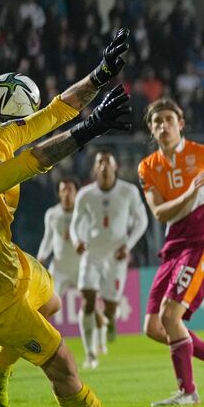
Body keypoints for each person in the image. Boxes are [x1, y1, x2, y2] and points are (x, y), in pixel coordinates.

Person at [0, 29, 158, 407]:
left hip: (11, 263)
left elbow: (53, 111)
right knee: (61, 363)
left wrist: (101, 74)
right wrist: (90, 129)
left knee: (53, 304)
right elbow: (31, 163)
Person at [138, 97, 204, 407]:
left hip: (202, 243)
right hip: (174, 247)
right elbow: (159, 213)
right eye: (157, 122)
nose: (163, 125)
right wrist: (190, 193)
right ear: (151, 130)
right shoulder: (148, 167)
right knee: (153, 327)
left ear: (180, 124)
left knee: (171, 315)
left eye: (168, 119)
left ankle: (188, 392)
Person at [70, 151, 148, 368]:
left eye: (107, 162)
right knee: (87, 300)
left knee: (111, 306)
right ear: (95, 169)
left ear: (116, 168)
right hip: (92, 253)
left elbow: (142, 221)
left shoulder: (128, 191)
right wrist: (77, 240)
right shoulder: (85, 194)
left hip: (116, 256)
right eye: (99, 163)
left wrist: (128, 245)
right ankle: (90, 354)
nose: (103, 166)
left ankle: (109, 321)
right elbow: (75, 223)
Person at [37, 177, 81, 300]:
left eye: (70, 190)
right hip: (59, 267)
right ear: (59, 193)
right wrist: (41, 256)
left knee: (91, 302)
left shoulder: (83, 212)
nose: (67, 193)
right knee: (47, 301)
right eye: (63, 190)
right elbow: (48, 238)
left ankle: (102, 319)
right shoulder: (52, 214)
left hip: (80, 266)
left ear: (76, 192)